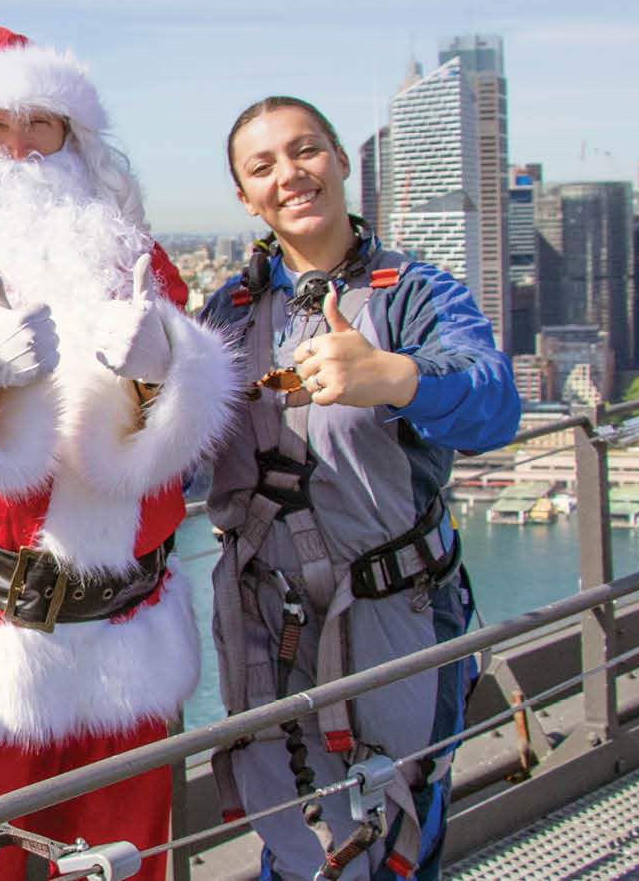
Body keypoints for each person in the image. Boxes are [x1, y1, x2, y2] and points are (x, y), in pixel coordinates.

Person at [0, 27, 238, 880]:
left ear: (78, 142)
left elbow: (186, 394)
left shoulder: (131, 252)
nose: (22, 149)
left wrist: (163, 370)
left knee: (127, 857)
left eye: (46, 126)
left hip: (124, 628)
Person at [200, 97, 520, 880]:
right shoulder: (229, 313)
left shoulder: (412, 294)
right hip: (266, 621)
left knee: (392, 837)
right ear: (246, 197)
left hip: (393, 615)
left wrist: (395, 375)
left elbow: (495, 399)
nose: (291, 175)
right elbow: (175, 451)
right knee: (295, 839)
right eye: (263, 166)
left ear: (342, 161)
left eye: (306, 151)